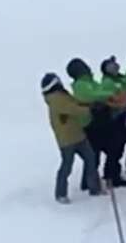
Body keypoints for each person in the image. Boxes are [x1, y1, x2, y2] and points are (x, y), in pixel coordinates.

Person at [66, 58, 126, 188]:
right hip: (92, 124)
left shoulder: (90, 82)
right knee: (97, 154)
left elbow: (97, 93)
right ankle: (91, 182)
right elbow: (90, 96)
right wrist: (109, 95)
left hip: (101, 121)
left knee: (112, 149)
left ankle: (110, 176)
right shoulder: (80, 84)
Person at [41, 72, 101, 203]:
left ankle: (94, 187)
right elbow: (72, 108)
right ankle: (60, 193)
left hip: (78, 134)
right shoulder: (55, 99)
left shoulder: (62, 95)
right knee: (67, 166)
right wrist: (89, 110)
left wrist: (88, 105)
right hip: (67, 139)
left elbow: (75, 103)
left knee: (91, 159)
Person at [99, 56, 126, 186]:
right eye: (112, 66)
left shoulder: (120, 79)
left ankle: (112, 174)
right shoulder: (108, 83)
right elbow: (110, 99)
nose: (116, 67)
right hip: (114, 119)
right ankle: (111, 176)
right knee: (115, 149)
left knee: (119, 148)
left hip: (123, 117)